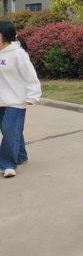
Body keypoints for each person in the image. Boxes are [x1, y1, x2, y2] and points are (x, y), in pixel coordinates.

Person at [0, 21, 41, 178]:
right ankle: (21, 156)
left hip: (16, 100)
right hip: (1, 100)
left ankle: (8, 165)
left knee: (10, 130)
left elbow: (31, 76)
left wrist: (33, 95)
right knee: (9, 130)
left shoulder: (18, 54)